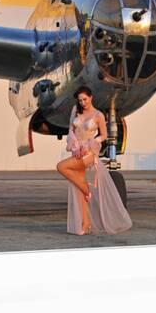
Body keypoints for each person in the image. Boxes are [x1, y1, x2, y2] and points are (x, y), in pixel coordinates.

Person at [56, 86, 132, 235]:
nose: (83, 102)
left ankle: (87, 188)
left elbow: (103, 135)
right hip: (77, 152)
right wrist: (76, 146)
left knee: (61, 167)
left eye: (85, 99)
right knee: (77, 191)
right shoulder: (75, 111)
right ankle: (85, 224)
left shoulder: (98, 115)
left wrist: (89, 144)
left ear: (91, 98)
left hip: (89, 153)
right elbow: (71, 130)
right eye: (80, 100)